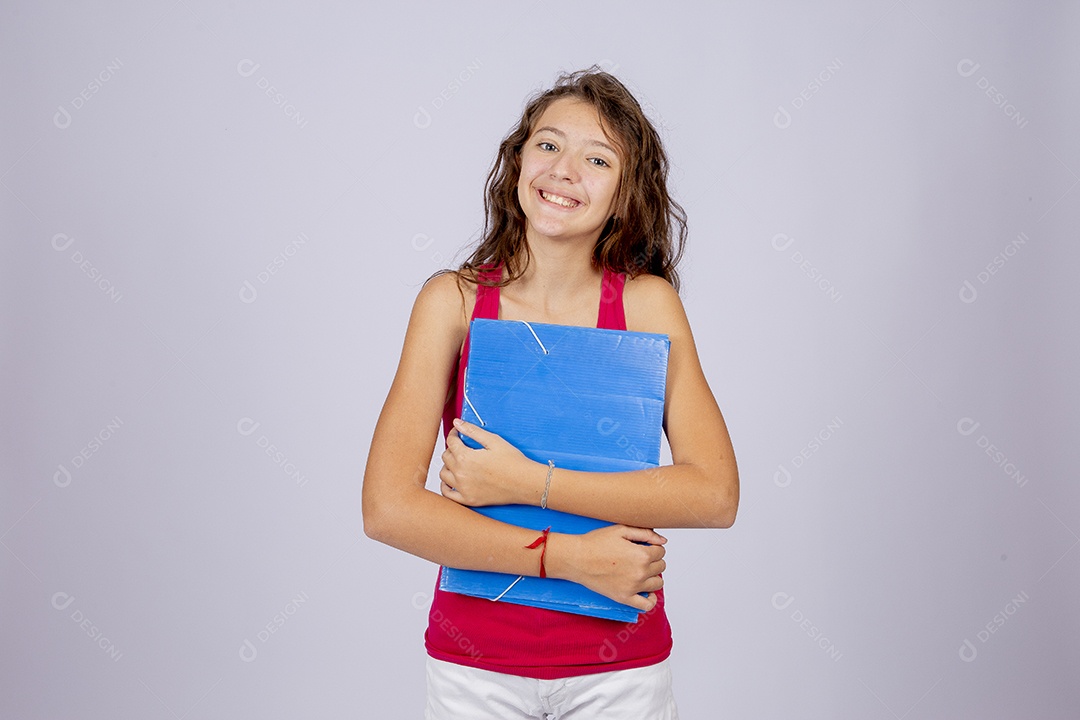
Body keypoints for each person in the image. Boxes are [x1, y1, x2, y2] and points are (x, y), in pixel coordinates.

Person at [362, 66, 739, 719]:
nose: (564, 169)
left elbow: (714, 494)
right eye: (548, 144)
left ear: (624, 195)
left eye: (597, 158)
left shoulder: (648, 306)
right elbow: (387, 508)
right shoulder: (452, 303)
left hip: (619, 670)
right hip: (473, 668)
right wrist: (571, 558)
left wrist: (527, 481)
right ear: (516, 165)